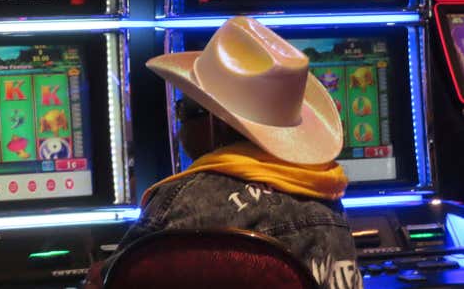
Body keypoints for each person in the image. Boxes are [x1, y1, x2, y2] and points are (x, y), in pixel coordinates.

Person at [87, 16, 362, 289]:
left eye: (184, 112)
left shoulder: (179, 202)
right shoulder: (328, 203)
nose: (178, 128)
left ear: (214, 124)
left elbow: (117, 280)